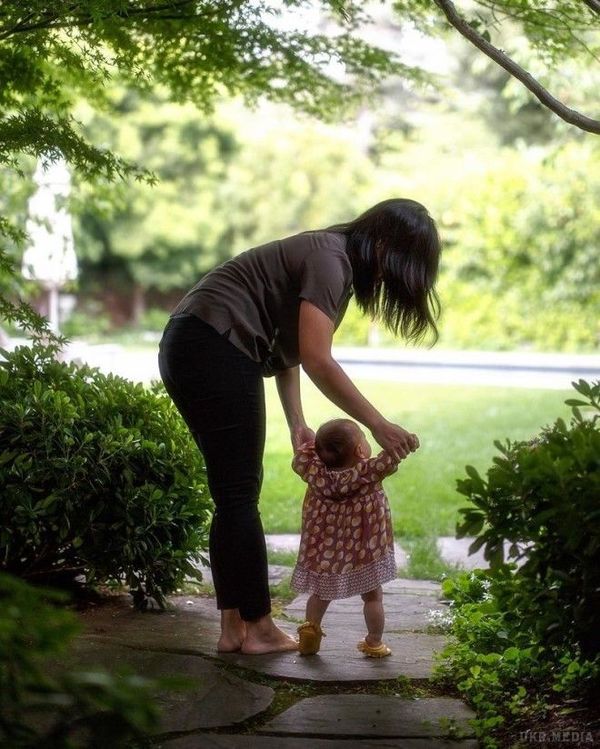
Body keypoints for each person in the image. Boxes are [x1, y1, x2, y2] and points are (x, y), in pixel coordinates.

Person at [158, 198, 441, 655]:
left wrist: (297, 423)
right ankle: (261, 629)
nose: (397, 277)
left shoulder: (327, 257)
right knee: (238, 495)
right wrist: (379, 425)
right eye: (404, 263)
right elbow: (316, 358)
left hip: (194, 342)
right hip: (213, 345)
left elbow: (285, 350)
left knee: (231, 495)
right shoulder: (332, 261)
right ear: (386, 244)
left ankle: (234, 629)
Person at [291, 418, 399, 657]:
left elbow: (300, 458)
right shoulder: (368, 472)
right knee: (372, 596)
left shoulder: (315, 473)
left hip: (327, 547)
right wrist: (407, 441)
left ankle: (310, 634)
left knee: (320, 592)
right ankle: (374, 642)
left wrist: (312, 444)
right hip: (364, 549)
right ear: (361, 450)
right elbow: (393, 456)